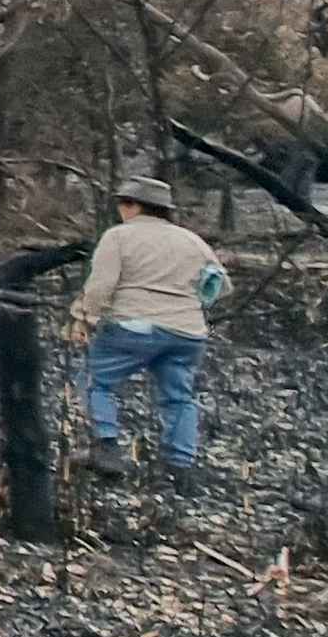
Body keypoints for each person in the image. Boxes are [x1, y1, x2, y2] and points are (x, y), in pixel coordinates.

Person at [66, 173, 221, 486]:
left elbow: (101, 286)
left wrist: (82, 319)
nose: (121, 209)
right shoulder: (194, 241)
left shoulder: (118, 237)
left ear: (135, 206)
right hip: (188, 333)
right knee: (179, 398)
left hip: (133, 326)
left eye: (123, 203)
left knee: (96, 381)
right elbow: (218, 285)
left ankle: (107, 448)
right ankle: (181, 466)